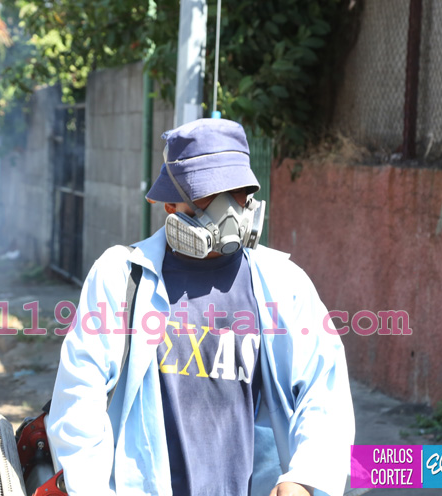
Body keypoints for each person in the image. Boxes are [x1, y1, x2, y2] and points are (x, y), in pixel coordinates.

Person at [46, 119, 354, 496]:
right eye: (211, 195)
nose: (231, 208)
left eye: (238, 191)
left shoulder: (284, 284)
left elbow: (323, 392)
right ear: (171, 205)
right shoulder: (121, 277)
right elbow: (79, 400)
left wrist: (304, 477)